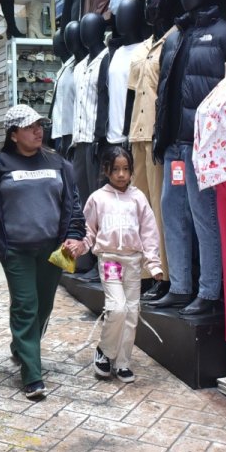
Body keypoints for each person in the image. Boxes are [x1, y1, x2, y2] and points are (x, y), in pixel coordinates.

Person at [0, 105, 85, 401]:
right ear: (13, 134)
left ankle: (21, 347)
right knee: (25, 304)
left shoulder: (59, 163)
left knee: (43, 307)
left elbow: (72, 203)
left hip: (54, 249)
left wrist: (74, 235)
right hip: (15, 250)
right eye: (30, 126)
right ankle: (32, 375)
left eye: (40, 125)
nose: (38, 131)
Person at [77, 146, 163, 384]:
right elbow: (88, 231)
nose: (122, 174)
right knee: (117, 308)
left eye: (126, 169)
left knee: (132, 311)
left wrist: (153, 264)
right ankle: (104, 351)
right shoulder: (97, 198)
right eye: (116, 169)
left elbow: (149, 232)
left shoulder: (138, 198)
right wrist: (79, 248)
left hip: (134, 262)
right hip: (110, 260)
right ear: (106, 170)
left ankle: (123, 361)